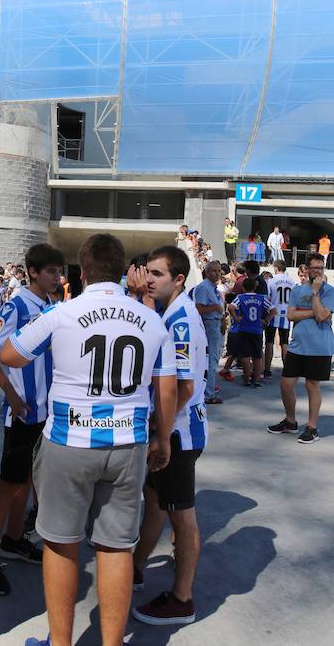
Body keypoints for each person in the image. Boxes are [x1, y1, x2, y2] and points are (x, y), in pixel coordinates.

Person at [0, 233, 177, 646]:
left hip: (69, 440)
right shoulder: (152, 320)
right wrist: (162, 439)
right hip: (127, 441)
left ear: (82, 269)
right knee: (115, 549)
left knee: (61, 544)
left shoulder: (61, 312)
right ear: (123, 272)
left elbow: (10, 355)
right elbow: (166, 389)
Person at [0, 244, 64, 596]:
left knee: (27, 478)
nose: (57, 278)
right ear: (33, 272)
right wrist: (10, 393)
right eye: (50, 272)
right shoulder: (17, 305)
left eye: (59, 272)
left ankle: (14, 538)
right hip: (23, 409)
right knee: (9, 481)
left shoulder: (53, 308)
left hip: (46, 410)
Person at [131, 246, 207, 626]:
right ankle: (136, 567)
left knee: (182, 516)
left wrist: (161, 434)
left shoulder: (180, 320)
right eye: (148, 272)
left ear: (178, 279)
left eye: (157, 274)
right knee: (155, 501)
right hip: (171, 431)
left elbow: (185, 386)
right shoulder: (168, 312)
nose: (149, 279)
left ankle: (182, 599)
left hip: (178, 435)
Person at [268, 252, 334, 444]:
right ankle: (290, 421)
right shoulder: (297, 291)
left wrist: (315, 293)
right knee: (285, 385)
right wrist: (314, 312)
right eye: (315, 268)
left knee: (311, 385)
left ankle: (312, 428)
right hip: (298, 346)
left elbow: (323, 317)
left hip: (320, 346)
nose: (319, 271)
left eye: (321, 268)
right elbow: (290, 316)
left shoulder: (329, 291)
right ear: (307, 269)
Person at [227, 279, 275, 387]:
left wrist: (236, 318)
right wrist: (266, 320)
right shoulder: (261, 298)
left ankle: (246, 378)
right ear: (255, 287)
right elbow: (273, 310)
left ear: (243, 287)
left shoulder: (240, 298)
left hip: (244, 328)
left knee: (245, 355)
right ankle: (257, 379)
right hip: (257, 328)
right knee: (257, 355)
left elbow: (231, 307)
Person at [194, 261, 225, 405]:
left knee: (214, 358)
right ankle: (208, 393)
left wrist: (223, 320)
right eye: (214, 271)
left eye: (219, 271)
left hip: (216, 323)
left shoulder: (214, 289)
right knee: (211, 359)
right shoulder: (203, 288)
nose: (217, 273)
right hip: (209, 323)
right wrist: (214, 308)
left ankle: (208, 390)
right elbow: (198, 309)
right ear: (207, 273)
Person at [264, 260, 295, 376]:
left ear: (276, 268)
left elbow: (267, 298)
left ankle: (267, 369)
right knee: (284, 342)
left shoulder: (271, 281)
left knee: (269, 341)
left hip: (273, 313)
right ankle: (286, 369)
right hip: (286, 314)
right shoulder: (292, 282)